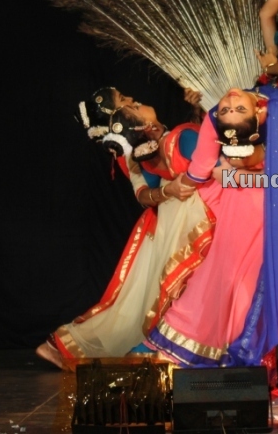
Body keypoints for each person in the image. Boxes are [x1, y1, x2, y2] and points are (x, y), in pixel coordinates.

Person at [35, 87, 211, 369]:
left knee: (160, 293)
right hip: (174, 216)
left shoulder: (170, 135)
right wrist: (171, 191)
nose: (133, 100)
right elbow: (143, 194)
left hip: (183, 210)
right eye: (126, 103)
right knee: (146, 299)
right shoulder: (133, 148)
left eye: (130, 100)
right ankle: (163, 350)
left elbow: (203, 151)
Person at [145, 86, 278, 367]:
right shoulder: (213, 118)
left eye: (236, 109)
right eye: (226, 110)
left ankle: (260, 349)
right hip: (242, 201)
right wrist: (170, 191)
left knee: (266, 275)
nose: (231, 101)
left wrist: (252, 174)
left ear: (259, 112)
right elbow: (199, 170)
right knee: (229, 274)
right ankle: (212, 343)